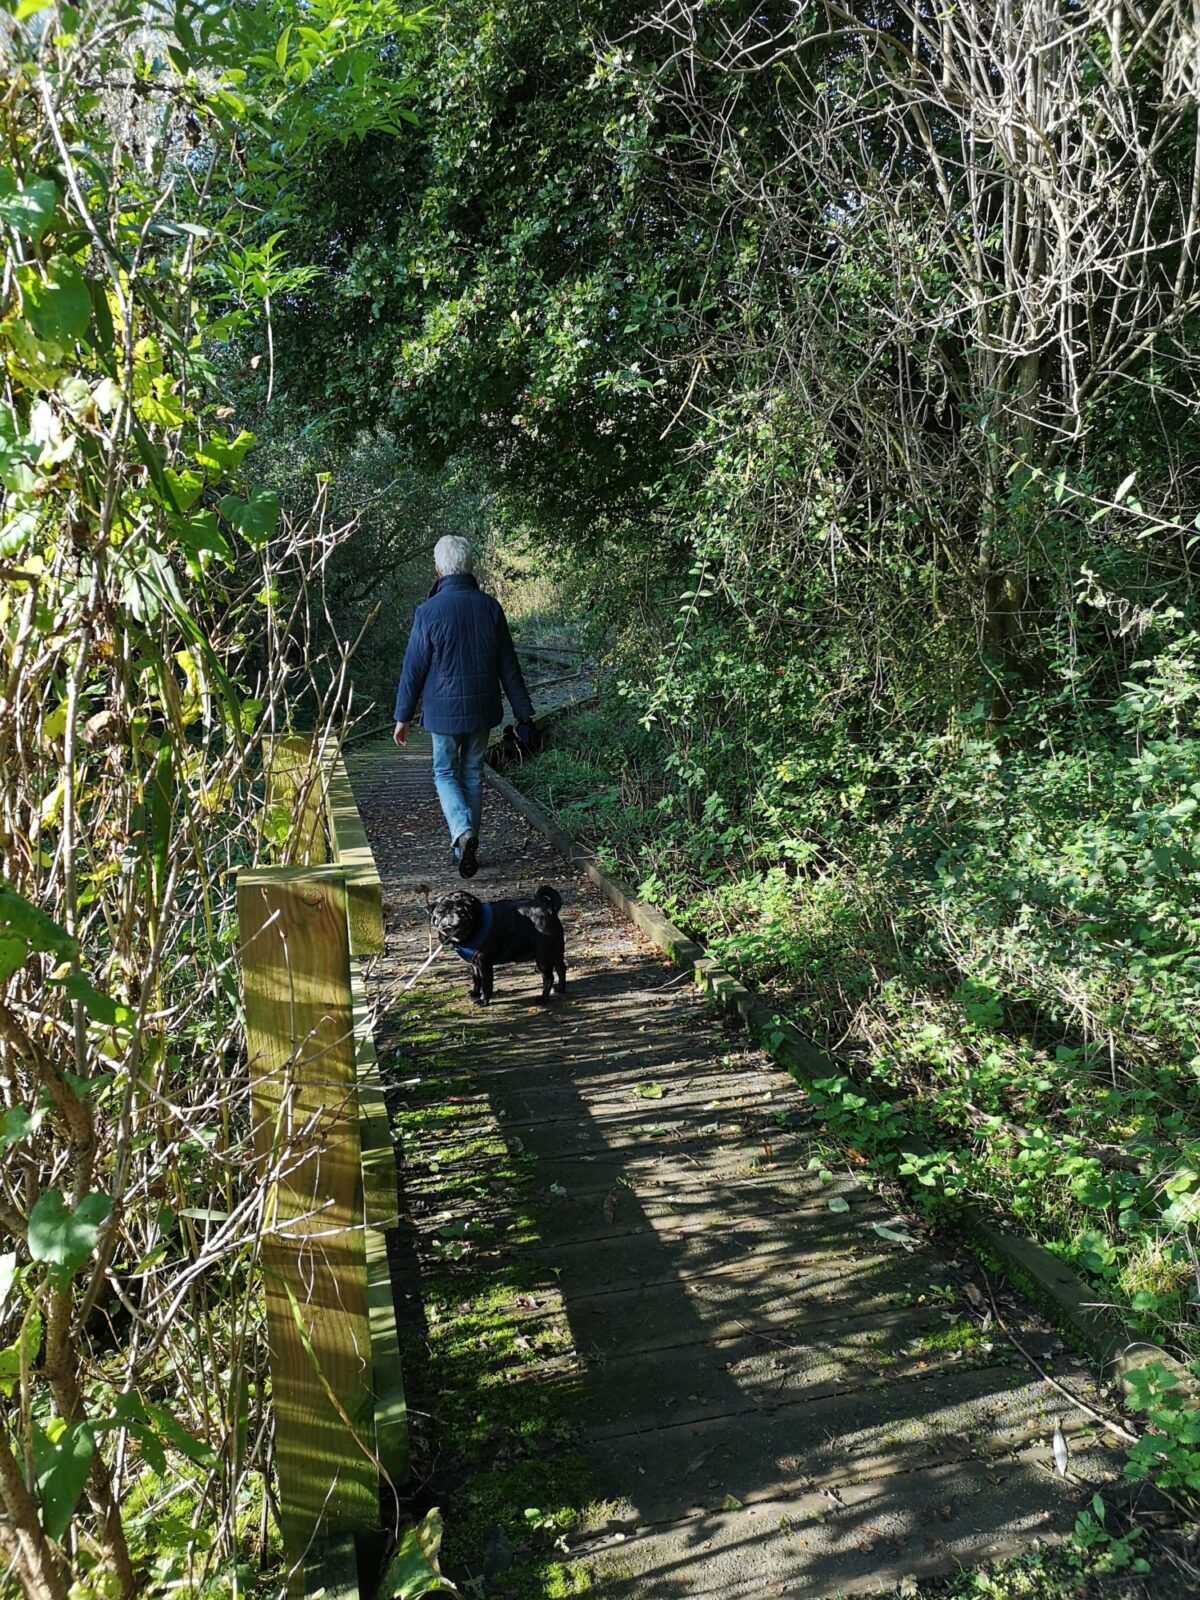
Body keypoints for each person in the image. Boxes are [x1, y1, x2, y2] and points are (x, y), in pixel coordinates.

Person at [393, 535, 535, 877]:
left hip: (442, 715)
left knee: (444, 772)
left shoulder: (428, 612)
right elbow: (508, 665)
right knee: (471, 772)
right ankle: (465, 848)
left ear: (439, 568)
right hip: (483, 710)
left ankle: (461, 832)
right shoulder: (490, 608)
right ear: (469, 566)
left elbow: (414, 669)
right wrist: (523, 711)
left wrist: (403, 716)